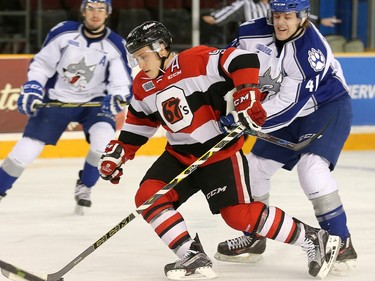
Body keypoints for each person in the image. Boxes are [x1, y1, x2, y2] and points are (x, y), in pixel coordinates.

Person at [98, 20, 340, 280]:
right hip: (179, 154)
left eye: (144, 56)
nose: (141, 65)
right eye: (136, 59)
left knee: (237, 216)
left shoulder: (195, 59)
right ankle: (191, 255)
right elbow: (140, 122)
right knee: (149, 196)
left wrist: (247, 94)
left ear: (162, 48)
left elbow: (244, 58)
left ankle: (314, 238)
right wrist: (121, 151)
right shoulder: (143, 84)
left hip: (219, 152)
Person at [214, 0, 356, 274]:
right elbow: (223, 64)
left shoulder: (309, 53)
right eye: (277, 15)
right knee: (254, 169)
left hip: (325, 107)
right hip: (279, 107)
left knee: (311, 169)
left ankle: (341, 242)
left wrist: (243, 119)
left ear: (303, 17)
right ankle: (256, 236)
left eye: (288, 17)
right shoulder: (249, 33)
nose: (280, 22)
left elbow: (288, 107)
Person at [0, 0, 133, 215]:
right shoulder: (63, 33)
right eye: (91, 8)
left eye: (101, 9)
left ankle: (85, 186)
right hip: (57, 99)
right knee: (26, 148)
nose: (96, 14)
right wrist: (34, 86)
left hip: (94, 103)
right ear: (83, 11)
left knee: (104, 142)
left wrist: (117, 97)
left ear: (108, 14)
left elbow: (121, 83)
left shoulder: (116, 44)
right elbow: (42, 64)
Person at [202, 0, 341, 28]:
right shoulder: (246, 4)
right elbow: (228, 12)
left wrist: (320, 20)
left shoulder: (278, 3)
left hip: (277, 42)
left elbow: (296, 13)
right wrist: (214, 18)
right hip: (255, 46)